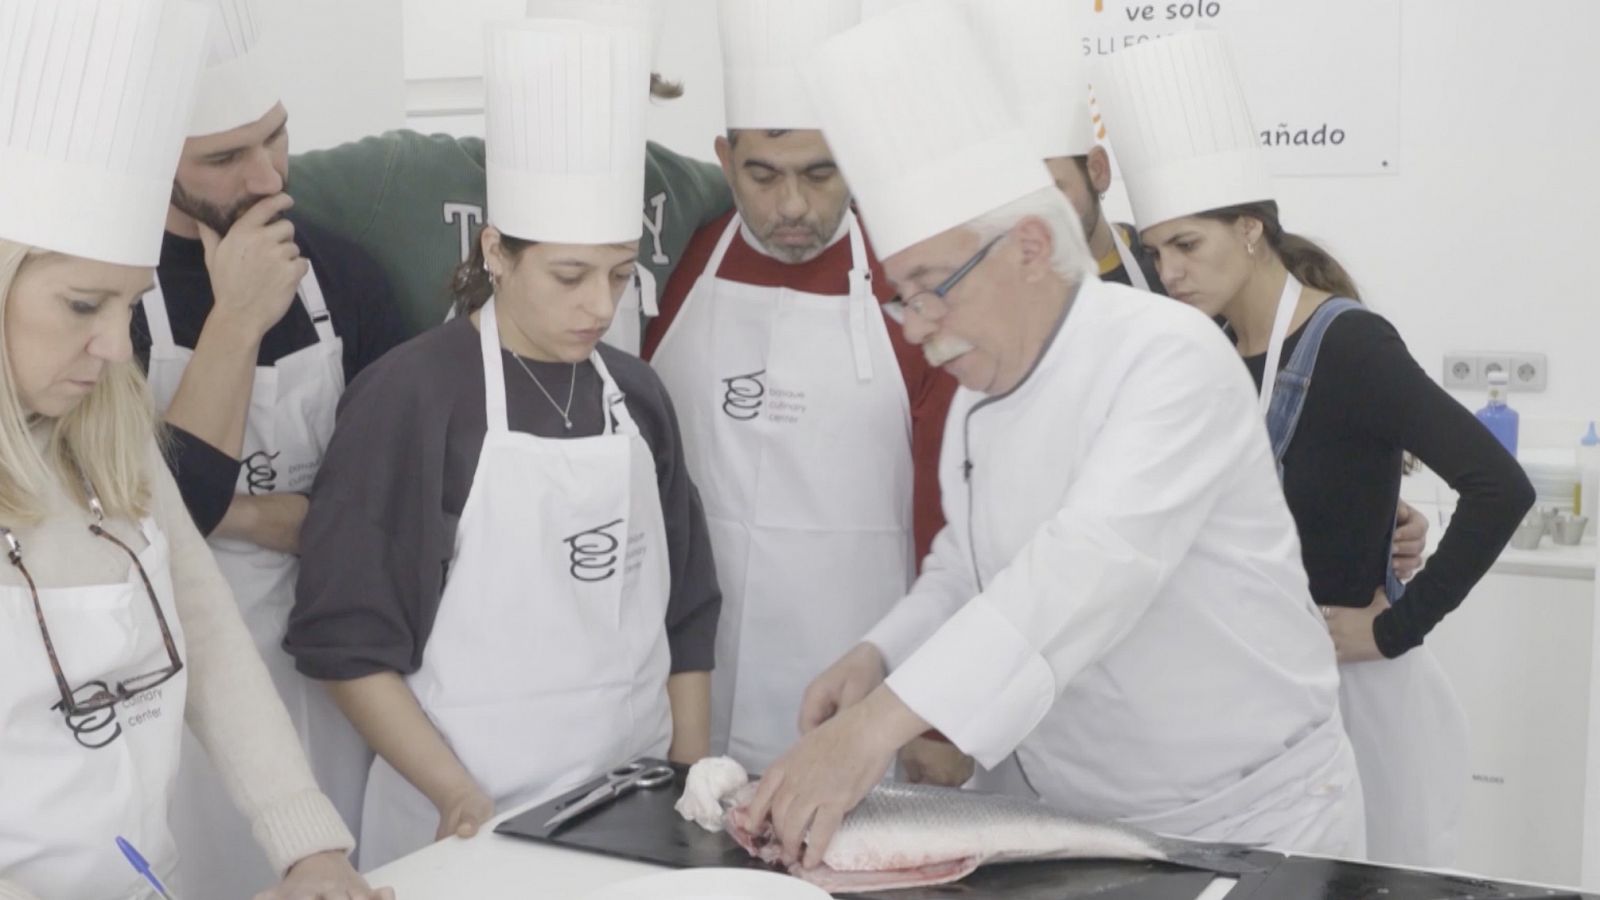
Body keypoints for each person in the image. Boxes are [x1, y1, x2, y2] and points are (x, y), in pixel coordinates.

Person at [744, 1, 1365, 867]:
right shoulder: (982, 385)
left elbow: (1086, 566)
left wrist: (872, 733)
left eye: (933, 286)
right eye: (900, 294)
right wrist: (880, 656)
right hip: (1075, 816)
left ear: (1030, 246)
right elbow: (970, 569)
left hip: (1250, 816)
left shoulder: (1166, 358)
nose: (918, 325)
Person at [285, 15, 722, 871]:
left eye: (619, 272)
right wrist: (453, 792)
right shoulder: (412, 398)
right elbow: (344, 640)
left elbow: (690, 612)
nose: (599, 305)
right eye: (569, 275)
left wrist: (688, 782)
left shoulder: (637, 397)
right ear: (496, 250)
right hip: (465, 826)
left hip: (635, 814)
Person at [1097, 31, 1535, 868]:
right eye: (1157, 253)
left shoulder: (1349, 343)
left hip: (1352, 704)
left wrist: (1397, 629)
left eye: (1188, 245)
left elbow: (1499, 486)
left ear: (1253, 231)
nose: (1171, 272)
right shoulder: (1206, 346)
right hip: (1245, 698)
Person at [0, 2, 388, 898]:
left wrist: (307, 845)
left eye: (128, 306)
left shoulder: (105, 424)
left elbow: (205, 630)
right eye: (82, 306)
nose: (112, 348)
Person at [639, 0, 955, 775]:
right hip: (688, 683)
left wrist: (938, 717)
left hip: (852, 682)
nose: (791, 207)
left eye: (820, 174)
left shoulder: (916, 283)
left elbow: (952, 518)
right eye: (762, 175)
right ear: (723, 157)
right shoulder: (675, 263)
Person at [136, 1, 406, 889]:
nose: (267, 176)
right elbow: (163, 511)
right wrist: (239, 317)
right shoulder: (106, 301)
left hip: (338, 669)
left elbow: (395, 504)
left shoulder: (345, 271)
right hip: (176, 690)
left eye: (277, 137)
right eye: (223, 157)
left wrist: (240, 516)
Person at [287, 0, 733, 351]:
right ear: (521, 80)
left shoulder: (673, 186)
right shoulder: (406, 175)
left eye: (615, 96)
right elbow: (254, 187)